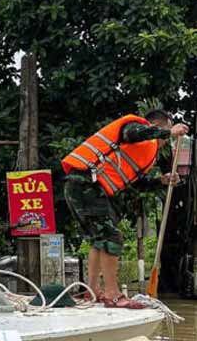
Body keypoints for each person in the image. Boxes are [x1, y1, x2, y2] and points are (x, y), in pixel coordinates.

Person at [62, 110, 189, 308]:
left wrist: (161, 181)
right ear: (158, 126)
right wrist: (167, 132)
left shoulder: (146, 152)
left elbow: (135, 184)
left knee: (99, 239)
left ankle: (92, 290)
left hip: (87, 185)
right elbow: (132, 133)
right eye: (166, 131)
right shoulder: (136, 129)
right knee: (112, 237)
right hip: (86, 182)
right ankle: (113, 294)